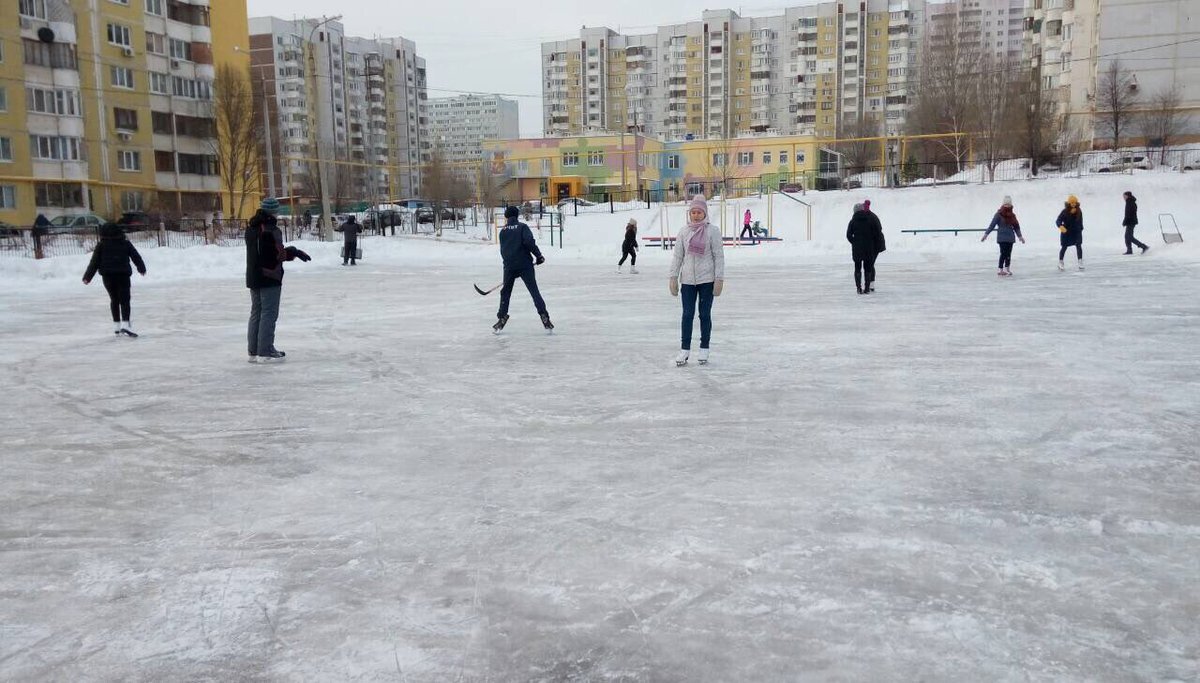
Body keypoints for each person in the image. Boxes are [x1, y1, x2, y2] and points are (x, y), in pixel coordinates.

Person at [245, 197, 311, 363]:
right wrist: (293, 252)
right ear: (273, 211)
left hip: (254, 275)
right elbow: (278, 255)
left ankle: (254, 350)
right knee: (268, 313)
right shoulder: (271, 229)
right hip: (270, 276)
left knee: (256, 313)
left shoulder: (251, 228)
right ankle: (265, 351)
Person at [669, 196, 725, 366]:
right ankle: (684, 349)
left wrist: (719, 279)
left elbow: (719, 256)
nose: (696, 215)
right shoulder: (683, 231)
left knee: (704, 315)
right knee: (687, 315)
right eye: (693, 212)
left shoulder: (712, 231)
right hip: (687, 281)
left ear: (705, 213)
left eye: (699, 212)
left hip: (707, 280)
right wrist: (673, 276)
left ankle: (704, 348)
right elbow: (678, 256)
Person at [494, 205, 553, 333]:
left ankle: (502, 317)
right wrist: (539, 256)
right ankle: (544, 316)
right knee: (534, 291)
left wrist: (509, 265)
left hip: (509, 266)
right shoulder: (522, 227)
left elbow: (503, 250)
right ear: (517, 215)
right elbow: (529, 242)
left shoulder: (502, 231)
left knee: (505, 293)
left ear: (506, 217)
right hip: (525, 265)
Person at [83, 223, 146, 337]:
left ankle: (116, 326)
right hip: (123, 275)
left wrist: (87, 277)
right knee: (125, 300)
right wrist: (141, 268)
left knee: (114, 299)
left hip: (108, 276)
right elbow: (136, 256)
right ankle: (125, 324)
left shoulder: (101, 246)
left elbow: (94, 262)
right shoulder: (125, 243)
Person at [981, 195, 1026, 276]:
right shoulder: (998, 214)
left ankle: (1007, 268)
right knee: (1003, 253)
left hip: (1010, 238)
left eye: (1009, 204)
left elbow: (1016, 227)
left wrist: (1020, 236)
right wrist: (986, 234)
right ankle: (1000, 269)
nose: (1007, 206)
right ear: (1003, 204)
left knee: (1009, 253)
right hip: (1002, 238)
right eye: (1006, 204)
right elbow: (992, 225)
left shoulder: (1012, 215)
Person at [847, 202, 885, 294]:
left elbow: (848, 235)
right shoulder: (870, 220)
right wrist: (871, 243)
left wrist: (855, 242)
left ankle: (859, 288)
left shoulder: (852, 221)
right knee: (868, 268)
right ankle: (867, 288)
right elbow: (876, 233)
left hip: (857, 249)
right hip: (869, 248)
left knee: (857, 268)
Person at [1056, 194, 1084, 271]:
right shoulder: (1065, 211)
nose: (1073, 204)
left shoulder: (1079, 211)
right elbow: (1058, 220)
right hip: (1066, 232)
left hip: (1076, 232)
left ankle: (1080, 261)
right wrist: (1061, 226)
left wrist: (1081, 228)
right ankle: (1061, 262)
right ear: (1069, 203)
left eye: (1074, 202)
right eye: (1072, 203)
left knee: (1078, 245)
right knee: (1064, 247)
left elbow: (1080, 220)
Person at [1122, 191, 1148, 255]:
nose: (1123, 198)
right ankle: (1129, 250)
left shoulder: (1130, 202)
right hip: (1131, 221)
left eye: (1124, 196)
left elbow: (1129, 214)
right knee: (1127, 236)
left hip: (1131, 222)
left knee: (1129, 237)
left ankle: (1144, 247)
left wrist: (1125, 221)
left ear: (1127, 196)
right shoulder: (1130, 202)